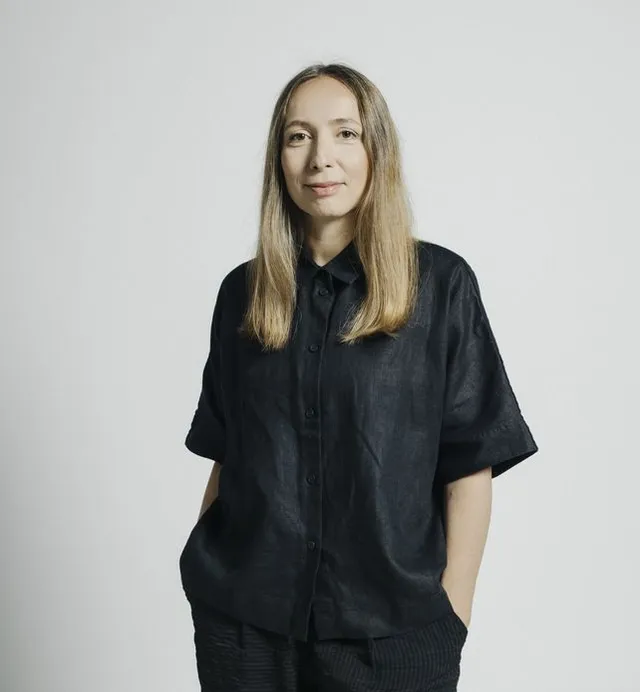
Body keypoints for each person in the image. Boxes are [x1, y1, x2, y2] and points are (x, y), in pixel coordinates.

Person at [179, 62, 539, 692]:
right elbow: (227, 454)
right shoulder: (243, 293)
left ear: (377, 149)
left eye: (345, 133)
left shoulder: (441, 286)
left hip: (392, 639)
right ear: (278, 159)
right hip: (244, 630)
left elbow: (469, 469)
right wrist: (205, 586)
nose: (321, 157)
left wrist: (452, 616)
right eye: (299, 136)